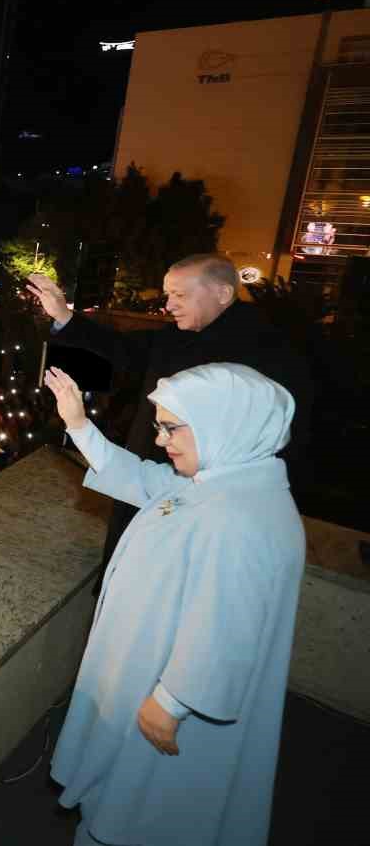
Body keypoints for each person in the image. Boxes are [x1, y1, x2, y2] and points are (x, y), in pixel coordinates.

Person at [44, 363, 303, 846]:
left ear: (223, 422)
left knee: (144, 806)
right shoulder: (222, 481)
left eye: (170, 427)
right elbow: (142, 479)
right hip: (151, 674)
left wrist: (172, 701)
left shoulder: (242, 518)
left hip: (168, 700)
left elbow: (229, 626)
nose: (160, 440)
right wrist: (78, 424)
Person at [26, 254, 312, 590]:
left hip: (200, 512)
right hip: (152, 479)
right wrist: (63, 315)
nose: (169, 305)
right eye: (168, 295)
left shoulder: (266, 350)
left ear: (222, 293)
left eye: (180, 295)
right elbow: (119, 347)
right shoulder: (177, 335)